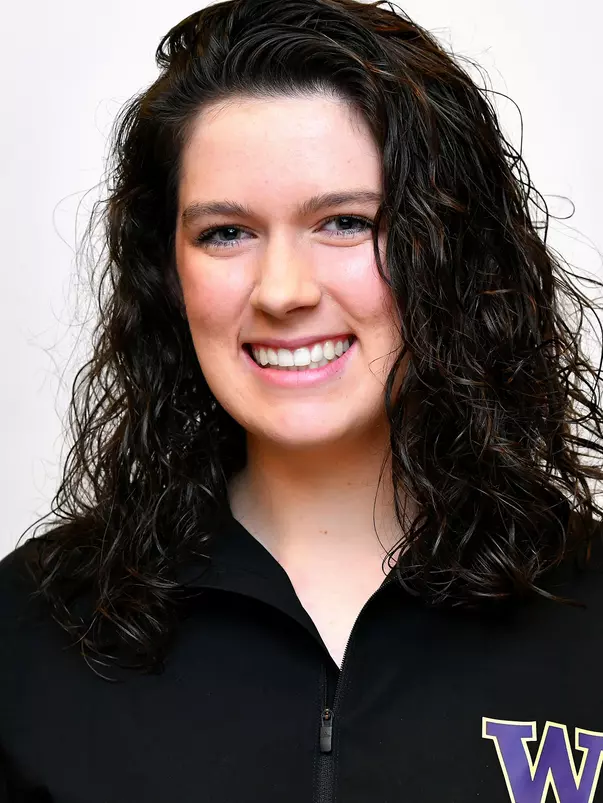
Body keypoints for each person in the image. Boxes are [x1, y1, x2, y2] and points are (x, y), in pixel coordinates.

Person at [2, 0, 603, 801]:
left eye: (345, 222)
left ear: (447, 251)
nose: (283, 291)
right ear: (168, 275)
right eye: (225, 232)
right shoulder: (27, 631)